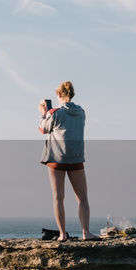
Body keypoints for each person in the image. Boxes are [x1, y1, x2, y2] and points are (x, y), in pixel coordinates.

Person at [38, 81, 94, 241]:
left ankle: (62, 234)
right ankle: (86, 232)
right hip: (76, 158)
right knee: (82, 198)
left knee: (58, 197)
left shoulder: (55, 112)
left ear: (60, 95)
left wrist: (44, 112)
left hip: (57, 158)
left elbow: (43, 129)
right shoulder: (82, 112)